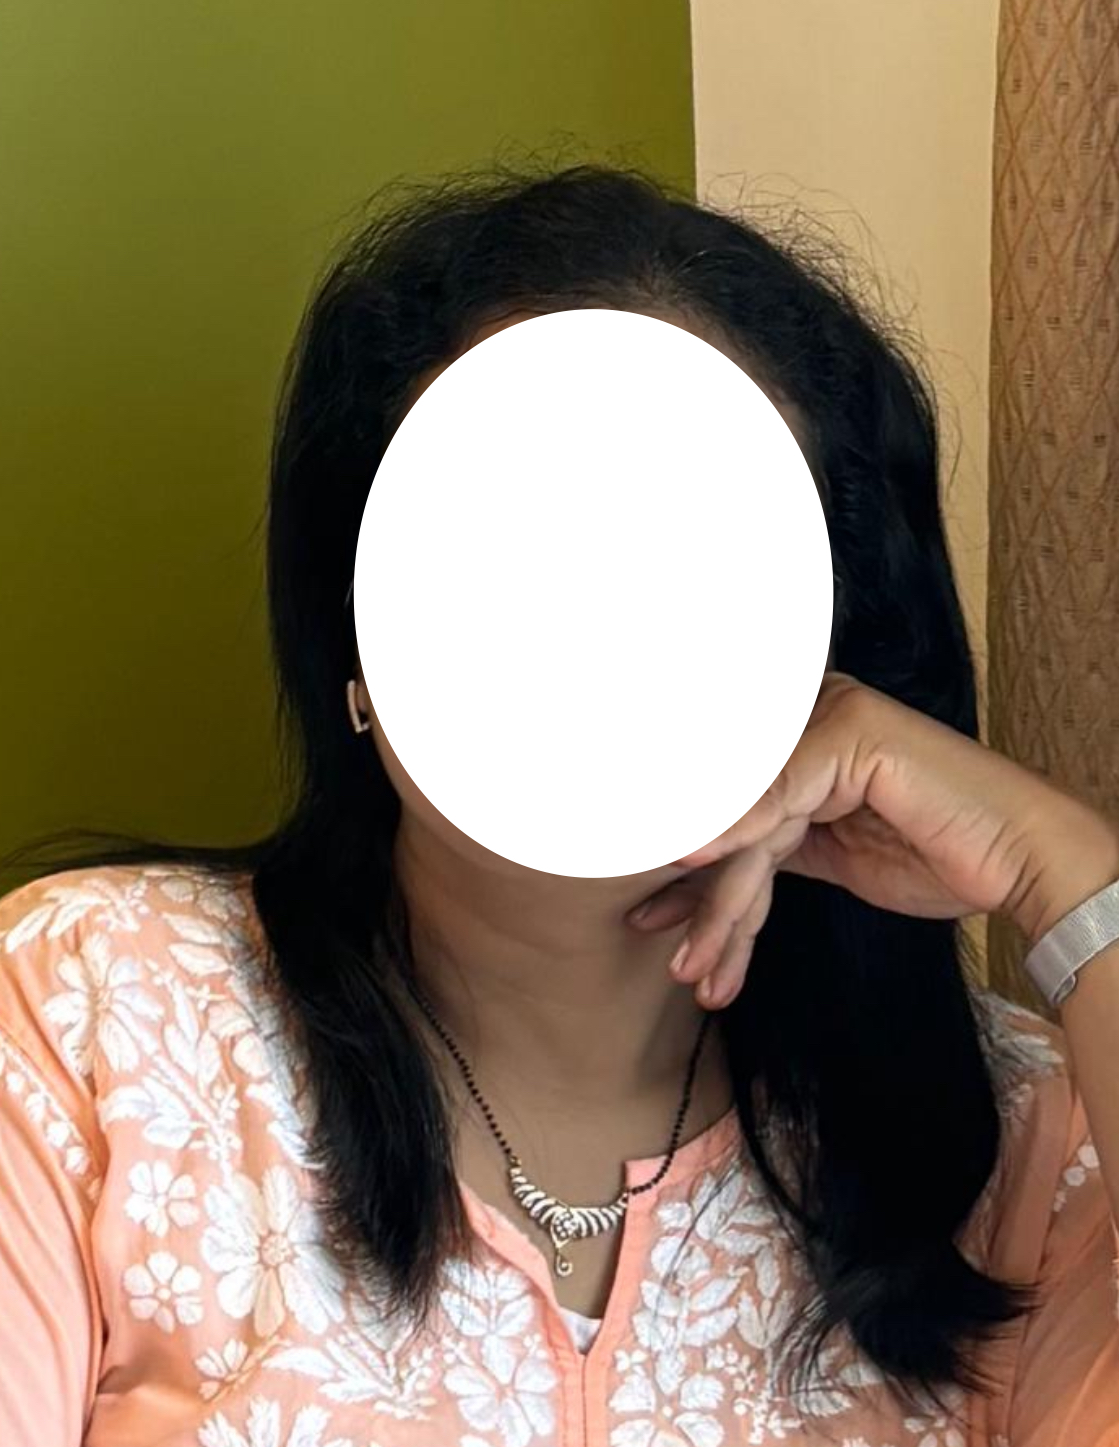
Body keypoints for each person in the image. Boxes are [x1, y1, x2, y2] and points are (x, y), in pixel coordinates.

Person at [1, 162, 1117, 1447]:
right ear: (356, 619)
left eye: (687, 559)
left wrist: (1066, 876)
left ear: (830, 649)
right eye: (506, 541)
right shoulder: (89, 1016)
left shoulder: (1025, 1143)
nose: (589, 629)